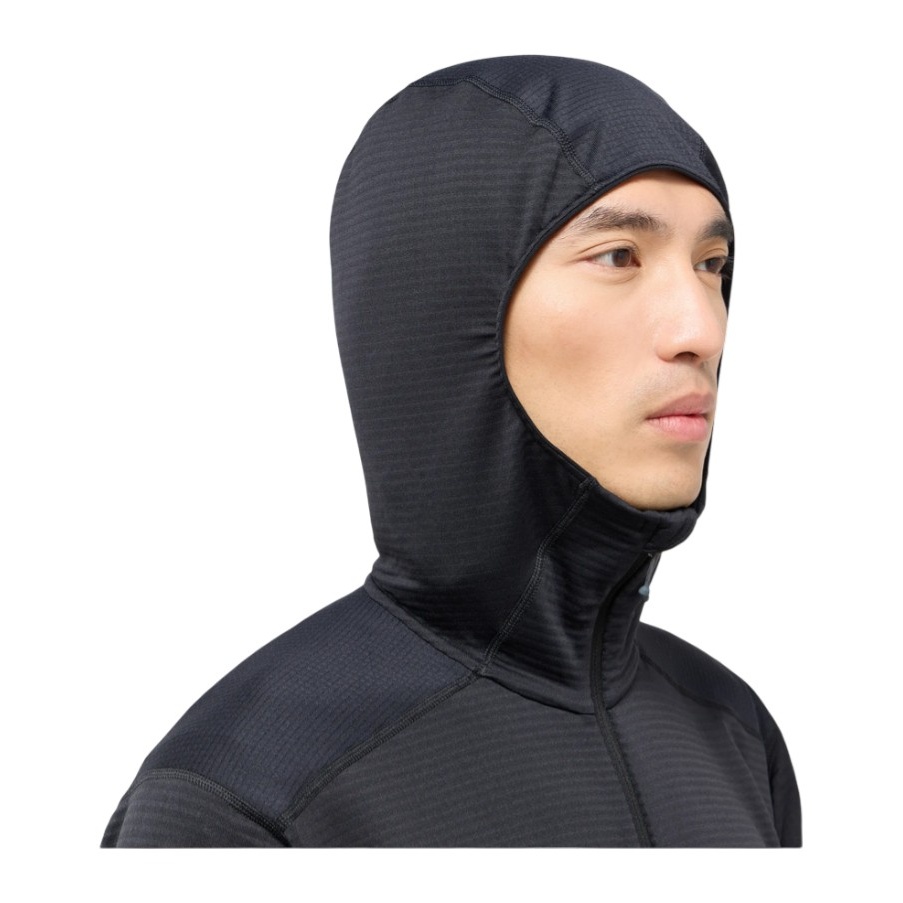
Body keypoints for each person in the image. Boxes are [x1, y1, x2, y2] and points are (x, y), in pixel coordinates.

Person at [101, 55, 801, 847]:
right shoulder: (246, 796)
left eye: (710, 265)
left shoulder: (733, 732)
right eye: (618, 257)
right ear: (446, 305)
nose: (701, 330)